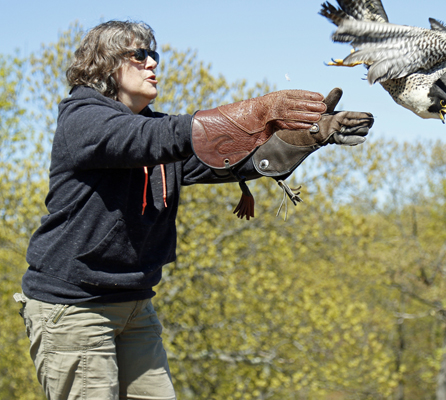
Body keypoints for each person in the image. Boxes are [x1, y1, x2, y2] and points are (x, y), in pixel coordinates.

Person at [14, 20, 374, 399]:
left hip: (135, 304)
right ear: (105, 64)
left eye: (154, 54)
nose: (152, 62)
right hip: (74, 309)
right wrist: (256, 113)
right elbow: (155, 138)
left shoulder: (157, 130)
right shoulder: (82, 119)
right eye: (139, 55)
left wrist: (312, 135)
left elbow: (225, 161)